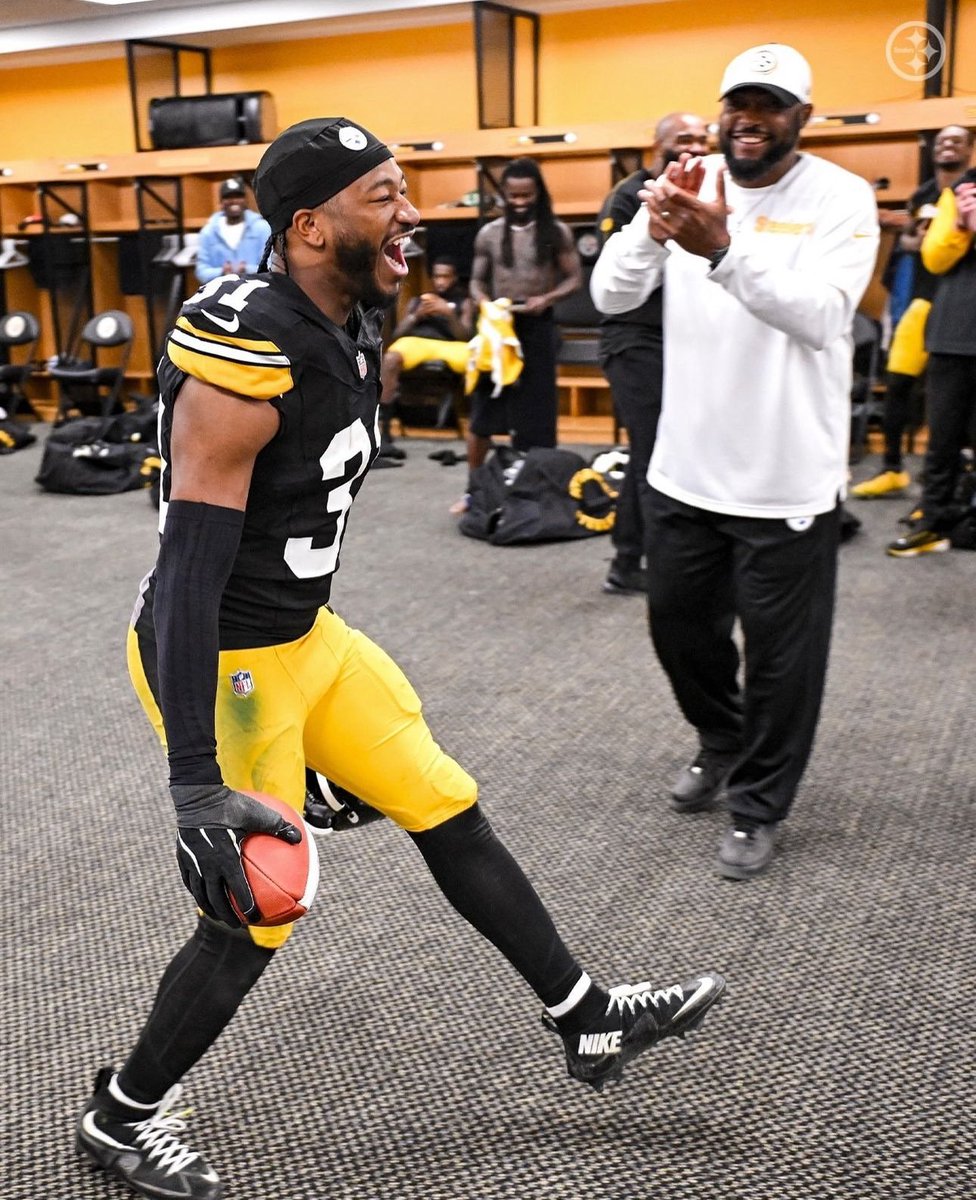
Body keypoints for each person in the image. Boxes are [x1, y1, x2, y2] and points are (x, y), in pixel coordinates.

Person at [75, 117, 725, 1200]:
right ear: (309, 225)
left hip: (306, 636)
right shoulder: (245, 355)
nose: (411, 213)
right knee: (254, 910)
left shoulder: (349, 314)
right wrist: (194, 781)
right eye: (383, 195)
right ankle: (121, 1115)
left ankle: (584, 1017)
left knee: (443, 801)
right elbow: (187, 573)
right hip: (227, 661)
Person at [591, 44, 879, 880]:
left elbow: (824, 317)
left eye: (770, 105)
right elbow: (611, 295)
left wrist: (721, 250)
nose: (749, 119)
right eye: (737, 104)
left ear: (802, 117)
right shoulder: (691, 182)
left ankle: (759, 803)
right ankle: (721, 739)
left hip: (787, 477)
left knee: (784, 661)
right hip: (686, 466)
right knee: (679, 629)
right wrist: (652, 230)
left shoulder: (840, 197)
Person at [595, 112, 710, 595]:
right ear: (657, 145)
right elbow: (618, 274)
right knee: (652, 450)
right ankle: (645, 563)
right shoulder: (631, 195)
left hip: (685, 340)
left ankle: (632, 558)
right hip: (634, 339)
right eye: (683, 138)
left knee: (662, 450)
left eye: (702, 138)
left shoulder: (708, 195)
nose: (695, 146)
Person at [852, 126, 975, 500]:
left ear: (969, 149)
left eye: (956, 141)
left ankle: (955, 487)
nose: (947, 146)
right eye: (942, 141)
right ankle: (892, 469)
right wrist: (915, 239)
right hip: (922, 301)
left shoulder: (970, 191)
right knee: (898, 385)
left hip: (962, 310)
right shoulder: (922, 194)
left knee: (952, 403)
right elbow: (907, 240)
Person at [453, 158, 582, 513]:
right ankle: (473, 492)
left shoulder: (556, 232)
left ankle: (537, 493)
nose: (520, 202)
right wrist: (484, 302)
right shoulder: (489, 234)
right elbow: (476, 281)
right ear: (504, 195)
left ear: (538, 193)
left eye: (527, 195)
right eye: (514, 196)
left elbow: (574, 279)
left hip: (538, 325)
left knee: (537, 415)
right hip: (498, 327)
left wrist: (548, 298)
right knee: (483, 411)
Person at [886, 163, 976, 556]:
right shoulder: (965, 188)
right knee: (942, 438)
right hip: (953, 328)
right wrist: (960, 228)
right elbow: (934, 257)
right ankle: (933, 521)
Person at [378, 255, 473, 458]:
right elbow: (397, 334)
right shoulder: (419, 300)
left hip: (451, 345)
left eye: (445, 277)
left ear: (454, 278)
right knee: (390, 358)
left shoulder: (464, 302)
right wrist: (416, 315)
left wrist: (448, 313)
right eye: (437, 276)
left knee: (477, 360)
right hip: (419, 342)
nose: (440, 281)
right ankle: (385, 428)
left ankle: (477, 429)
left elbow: (465, 336)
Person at [194, 177, 272, 283]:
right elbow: (201, 271)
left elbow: (271, 266)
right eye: (228, 197)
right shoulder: (208, 232)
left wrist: (246, 269)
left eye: (238, 196)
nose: (234, 201)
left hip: (256, 289)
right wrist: (222, 271)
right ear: (221, 202)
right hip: (221, 290)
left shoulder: (262, 228)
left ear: (246, 200)